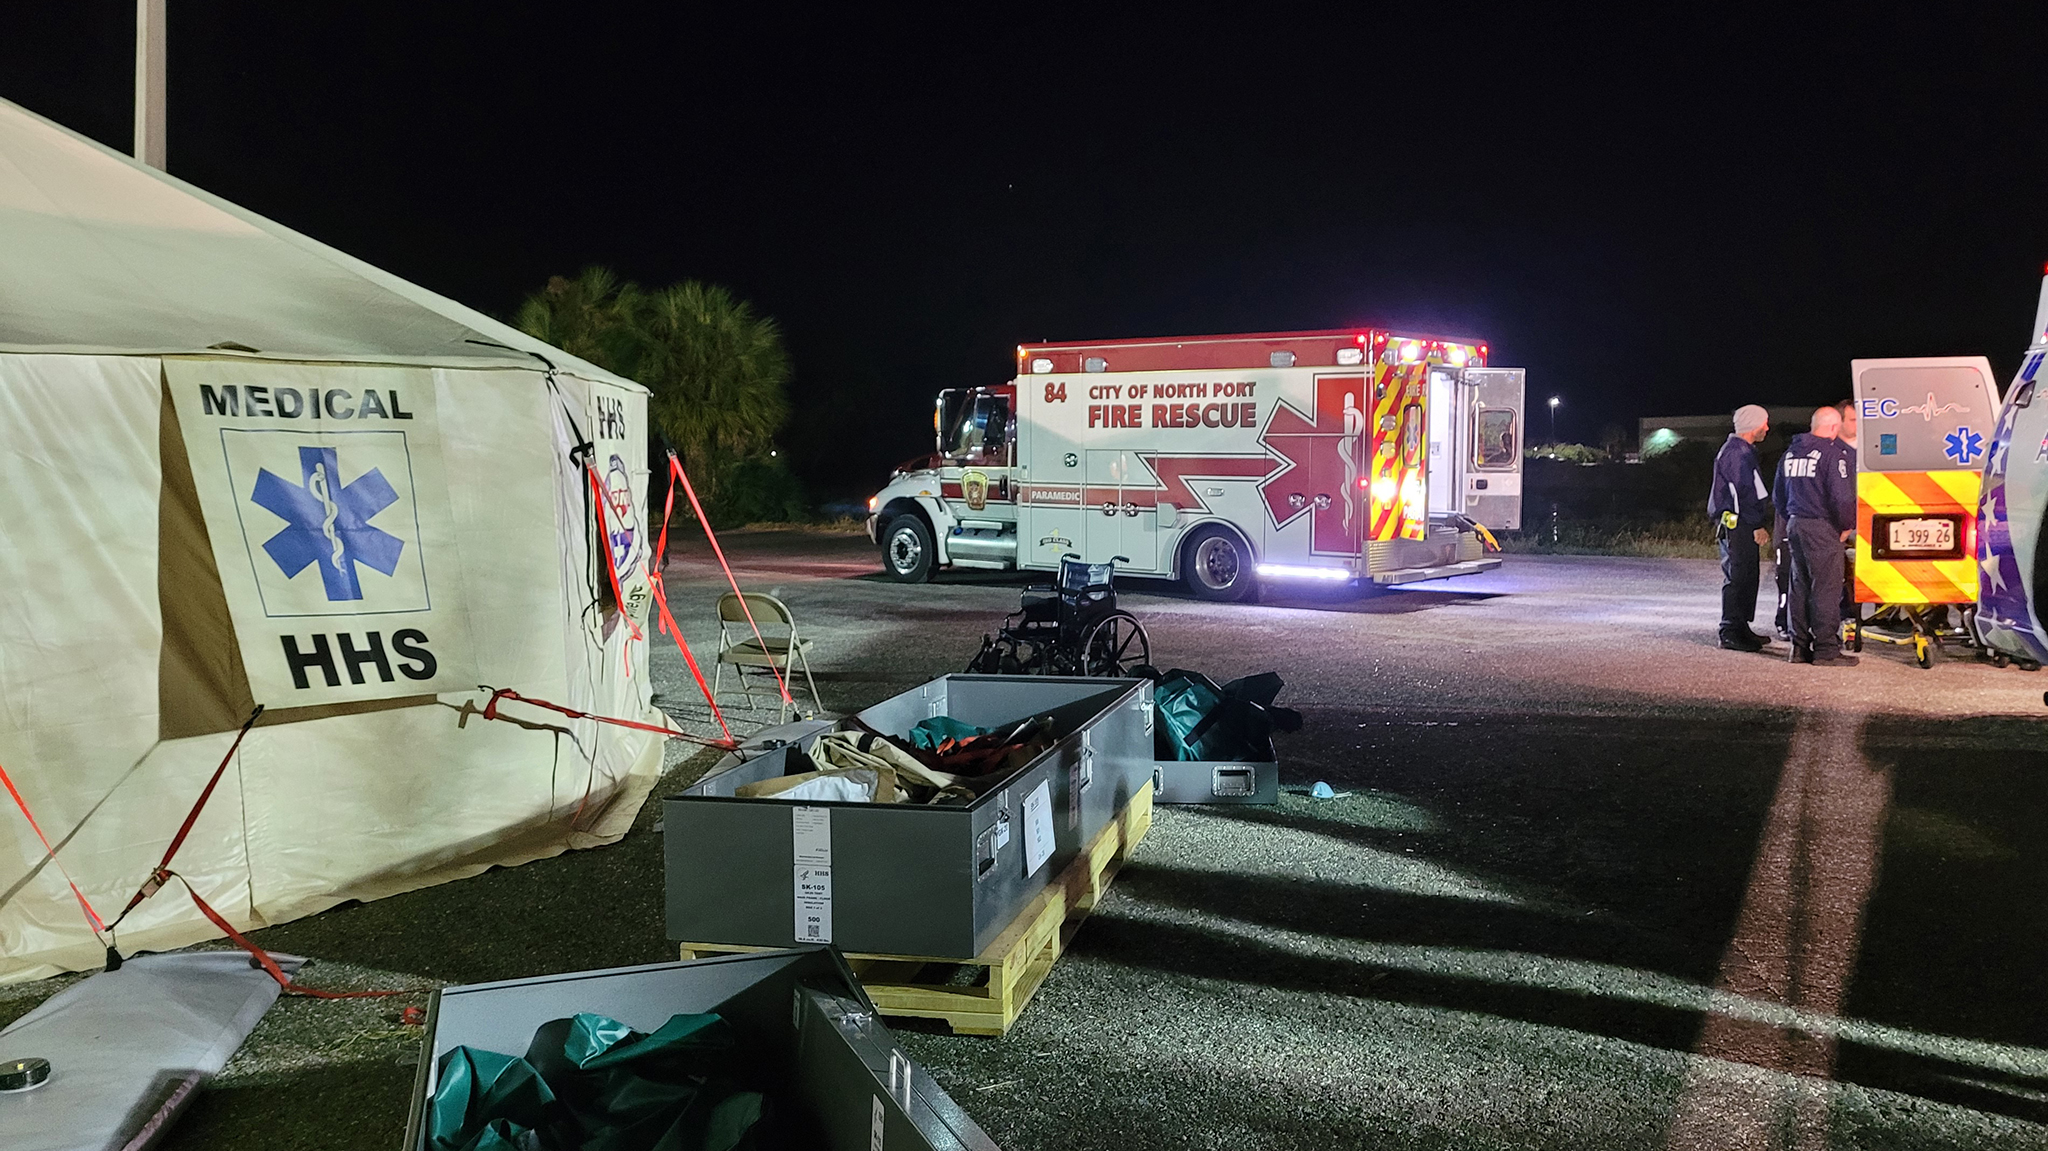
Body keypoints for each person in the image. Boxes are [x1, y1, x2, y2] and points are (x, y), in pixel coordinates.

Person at [1773, 407, 1858, 665]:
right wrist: (1846, 526)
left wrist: (1792, 519)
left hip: (1795, 525)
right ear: (1834, 427)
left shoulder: (1790, 454)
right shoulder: (1833, 455)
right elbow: (1841, 498)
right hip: (1822, 528)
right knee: (1825, 589)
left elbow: (1779, 496)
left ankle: (1799, 648)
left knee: (1799, 586)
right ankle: (1825, 650)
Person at [1709, 405, 1774, 650]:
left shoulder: (1742, 451)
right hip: (1738, 525)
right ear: (1753, 425)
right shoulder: (1737, 453)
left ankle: (1741, 628)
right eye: (1764, 423)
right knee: (1737, 577)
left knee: (1746, 576)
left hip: (1740, 523)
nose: (1767, 428)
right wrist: (1756, 523)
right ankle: (1729, 631)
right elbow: (1740, 493)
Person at [1836, 399, 1860, 623]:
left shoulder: (1870, 449)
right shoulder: (1832, 450)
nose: (1858, 424)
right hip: (1843, 522)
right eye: (1853, 419)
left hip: (1868, 519)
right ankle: (1847, 614)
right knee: (1846, 572)